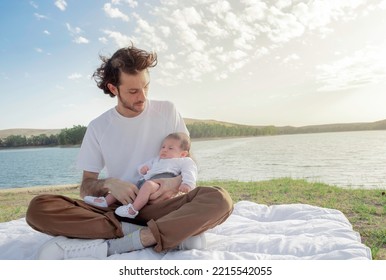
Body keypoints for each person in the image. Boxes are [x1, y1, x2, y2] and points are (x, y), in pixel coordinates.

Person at [26, 44, 233, 259]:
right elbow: (86, 187)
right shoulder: (98, 127)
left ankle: (123, 241)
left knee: (220, 199)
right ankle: (159, 233)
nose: (142, 97)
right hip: (118, 208)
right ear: (114, 89)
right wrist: (109, 183)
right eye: (133, 91)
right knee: (39, 208)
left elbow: (187, 160)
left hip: (163, 205)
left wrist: (174, 183)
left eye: (146, 87)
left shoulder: (168, 111)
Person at [83, 132, 198, 219]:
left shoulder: (183, 161)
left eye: (170, 148)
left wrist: (187, 184)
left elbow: (190, 171)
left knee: (148, 185)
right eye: (163, 147)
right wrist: (142, 169)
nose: (164, 150)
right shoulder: (157, 160)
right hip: (145, 182)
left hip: (160, 184)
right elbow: (143, 167)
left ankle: (133, 210)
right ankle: (104, 202)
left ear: (183, 153)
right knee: (124, 186)